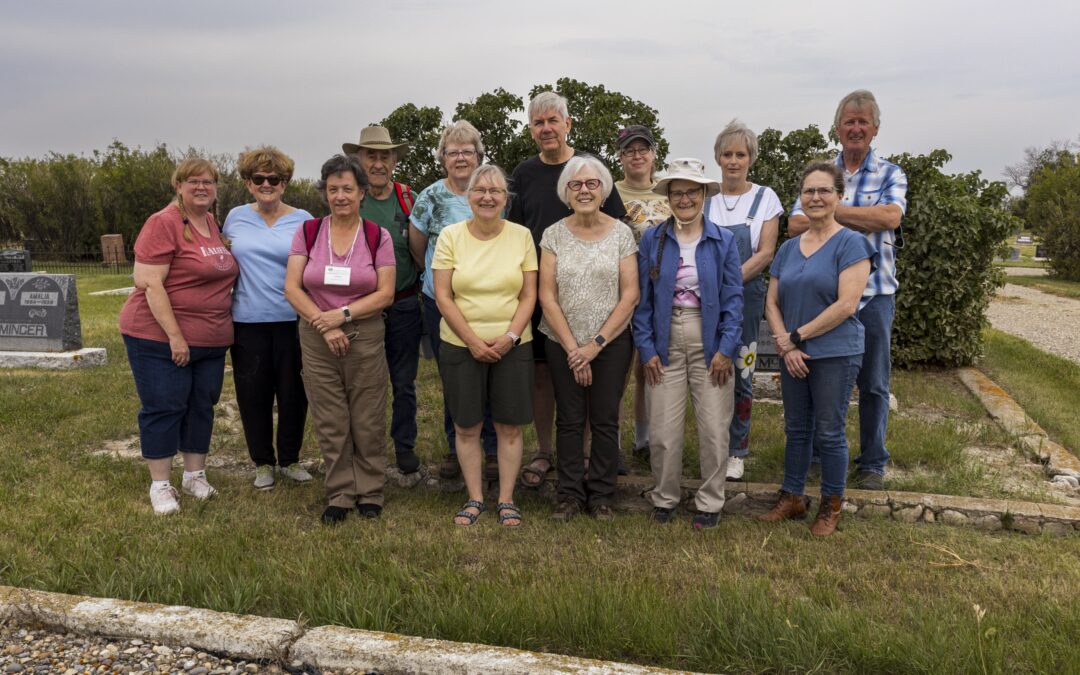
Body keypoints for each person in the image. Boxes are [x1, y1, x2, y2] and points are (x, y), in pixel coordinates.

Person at [787, 90, 907, 491]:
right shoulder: (821, 172)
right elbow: (794, 225)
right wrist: (862, 219)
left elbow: (890, 216)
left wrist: (828, 213)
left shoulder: (891, 173)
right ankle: (822, 454)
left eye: (863, 121)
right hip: (822, 300)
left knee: (874, 383)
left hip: (874, 297)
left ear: (875, 128)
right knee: (816, 375)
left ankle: (872, 461)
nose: (856, 128)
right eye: (849, 121)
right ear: (838, 128)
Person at [508, 91, 627, 488]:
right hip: (544, 292)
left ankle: (590, 451)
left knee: (594, 379)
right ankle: (545, 451)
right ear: (531, 130)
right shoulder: (523, 175)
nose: (546, 129)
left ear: (567, 124)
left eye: (552, 121)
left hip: (596, 293)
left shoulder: (590, 168)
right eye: (538, 123)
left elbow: (617, 224)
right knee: (544, 377)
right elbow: (517, 234)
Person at [760, 161, 876, 536]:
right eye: (809, 191)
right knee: (796, 429)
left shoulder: (852, 243)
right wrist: (785, 343)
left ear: (839, 196)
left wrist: (797, 337)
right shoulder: (789, 248)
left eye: (824, 190)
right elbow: (772, 302)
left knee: (828, 431)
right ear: (800, 198)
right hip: (792, 353)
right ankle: (792, 497)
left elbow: (846, 305)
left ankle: (831, 504)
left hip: (834, 353)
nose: (816, 197)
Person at [119, 158, 238, 515]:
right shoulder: (163, 223)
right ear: (178, 185)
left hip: (211, 339)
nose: (201, 187)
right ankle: (160, 485)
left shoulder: (211, 222)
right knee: (165, 405)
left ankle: (194, 475)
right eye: (193, 181)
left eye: (208, 181)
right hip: (158, 336)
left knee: (202, 405)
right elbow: (150, 283)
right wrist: (175, 336)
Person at [284, 154, 395, 524]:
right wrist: (325, 324)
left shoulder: (378, 236)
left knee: (367, 416)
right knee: (330, 418)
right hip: (317, 337)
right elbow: (292, 288)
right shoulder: (309, 232)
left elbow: (386, 293)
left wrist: (343, 316)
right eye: (333, 189)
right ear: (325, 193)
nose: (341, 196)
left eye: (348, 188)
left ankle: (371, 491)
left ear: (362, 192)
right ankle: (341, 493)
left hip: (364, 334)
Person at [633, 159, 743, 529]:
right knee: (663, 430)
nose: (684, 199)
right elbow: (642, 300)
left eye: (691, 192)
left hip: (710, 339)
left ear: (703, 195)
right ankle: (665, 497)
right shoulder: (653, 239)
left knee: (713, 428)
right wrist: (646, 349)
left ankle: (710, 502)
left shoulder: (723, 241)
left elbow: (733, 299)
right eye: (677, 192)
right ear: (668, 197)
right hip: (664, 338)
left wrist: (726, 349)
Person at [432, 164, 537, 528]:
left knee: (510, 426)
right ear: (468, 196)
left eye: (495, 191)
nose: (487, 197)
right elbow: (443, 297)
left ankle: (506, 499)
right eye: (480, 191)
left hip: (514, 344)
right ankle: (475, 497)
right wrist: (474, 341)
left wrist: (509, 337)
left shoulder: (522, 236)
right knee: (467, 426)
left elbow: (529, 295)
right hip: (460, 345)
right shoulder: (450, 236)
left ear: (505, 199)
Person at [540, 156, 638, 521]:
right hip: (561, 341)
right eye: (576, 185)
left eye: (592, 184)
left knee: (604, 419)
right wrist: (573, 349)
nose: (584, 190)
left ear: (604, 190)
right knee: (568, 418)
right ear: (566, 191)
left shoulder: (621, 234)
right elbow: (546, 296)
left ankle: (601, 496)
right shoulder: (552, 234)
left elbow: (630, 295)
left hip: (610, 343)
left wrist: (594, 346)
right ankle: (567, 495)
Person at [408, 120, 499, 480]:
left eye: (467, 151)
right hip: (441, 302)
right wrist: (437, 279)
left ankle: (491, 449)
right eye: (452, 152)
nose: (460, 158)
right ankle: (455, 446)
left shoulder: (493, 193)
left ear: (479, 156)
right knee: (455, 376)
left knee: (491, 374)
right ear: (442, 158)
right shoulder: (430, 197)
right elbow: (418, 247)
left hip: (490, 302)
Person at [223, 146, 313, 490]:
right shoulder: (234, 217)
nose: (266, 184)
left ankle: (290, 459)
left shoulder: (304, 219)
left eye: (273, 179)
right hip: (247, 321)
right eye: (258, 178)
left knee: (293, 392)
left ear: (284, 183)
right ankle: (263, 462)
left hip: (292, 319)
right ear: (248, 183)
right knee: (253, 393)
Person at [705, 120, 782, 481]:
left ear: (751, 157)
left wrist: (728, 283)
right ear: (718, 158)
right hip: (705, 296)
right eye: (727, 154)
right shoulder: (706, 198)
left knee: (742, 370)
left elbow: (765, 252)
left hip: (746, 295)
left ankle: (737, 450)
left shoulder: (766, 199)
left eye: (740, 154)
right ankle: (713, 444)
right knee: (708, 369)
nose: (733, 161)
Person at [342, 126, 423, 475]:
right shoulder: (348, 200)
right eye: (370, 155)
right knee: (362, 384)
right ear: (359, 160)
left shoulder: (410, 199)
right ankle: (362, 448)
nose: (377, 163)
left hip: (404, 305)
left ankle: (404, 446)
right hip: (361, 309)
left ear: (394, 161)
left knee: (403, 383)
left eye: (384, 156)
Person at [614, 125, 671, 464]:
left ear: (653, 153)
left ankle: (644, 440)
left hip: (659, 291)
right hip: (619, 289)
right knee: (618, 369)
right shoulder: (610, 192)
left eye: (643, 149)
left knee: (648, 367)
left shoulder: (668, 191)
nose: (637, 156)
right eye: (629, 150)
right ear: (620, 157)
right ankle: (613, 441)